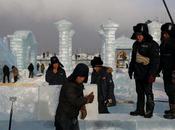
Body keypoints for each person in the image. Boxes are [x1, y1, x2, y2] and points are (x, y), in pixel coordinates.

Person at [128, 23, 160, 118]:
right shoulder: (135, 44)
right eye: (137, 35)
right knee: (139, 92)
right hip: (138, 73)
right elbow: (133, 59)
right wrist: (131, 69)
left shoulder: (153, 44)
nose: (138, 37)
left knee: (148, 92)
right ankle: (140, 110)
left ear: (145, 34)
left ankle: (149, 110)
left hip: (147, 74)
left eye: (140, 35)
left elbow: (155, 61)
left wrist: (152, 74)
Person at [55, 63, 94, 130]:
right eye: (79, 76)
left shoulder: (78, 84)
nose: (81, 78)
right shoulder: (69, 85)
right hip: (63, 120)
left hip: (72, 118)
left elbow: (79, 96)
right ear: (76, 74)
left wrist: (82, 107)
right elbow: (75, 101)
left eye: (83, 77)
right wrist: (87, 99)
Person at [159, 23, 175, 119]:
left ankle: (174, 111)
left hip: (173, 72)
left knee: (173, 91)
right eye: (163, 33)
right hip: (166, 71)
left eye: (166, 33)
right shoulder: (163, 44)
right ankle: (172, 108)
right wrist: (157, 70)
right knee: (169, 90)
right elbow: (162, 59)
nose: (164, 35)